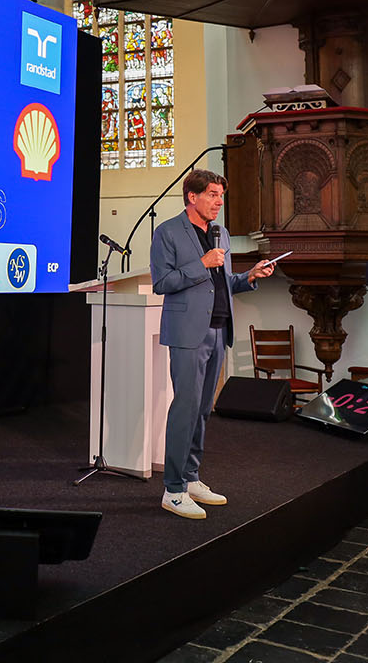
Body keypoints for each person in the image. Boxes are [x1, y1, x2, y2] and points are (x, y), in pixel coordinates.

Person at [152, 169, 276, 519]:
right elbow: (162, 282)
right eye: (212, 194)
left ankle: (190, 478)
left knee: (204, 410)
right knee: (186, 408)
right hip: (188, 332)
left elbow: (222, 283)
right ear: (192, 197)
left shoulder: (221, 233)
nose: (219, 202)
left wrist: (249, 277)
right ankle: (173, 490)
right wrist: (201, 263)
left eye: (221, 195)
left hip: (219, 329)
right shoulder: (168, 232)